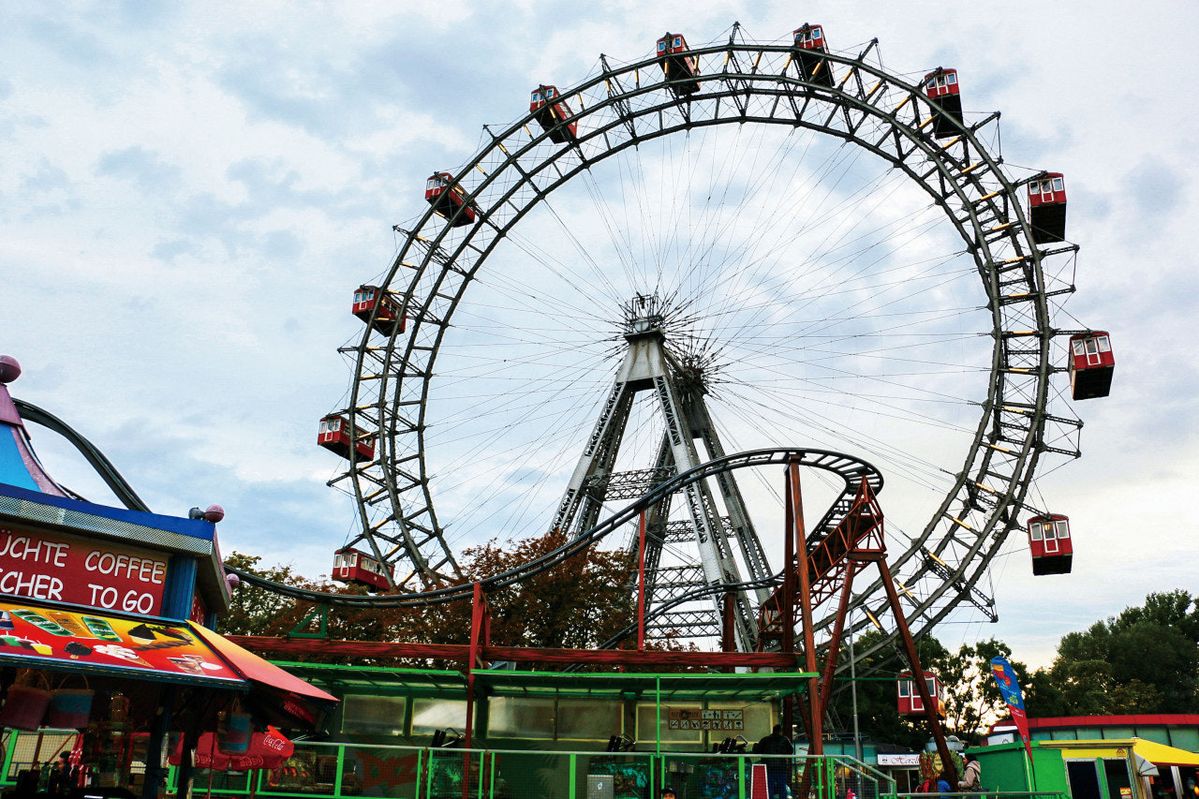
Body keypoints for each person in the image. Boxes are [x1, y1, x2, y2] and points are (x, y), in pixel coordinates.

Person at [757, 724, 794, 799]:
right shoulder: (784, 739)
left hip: (768, 767)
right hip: (781, 767)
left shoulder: (765, 739)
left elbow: (757, 750)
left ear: (773, 731)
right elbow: (790, 750)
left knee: (769, 787)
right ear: (780, 731)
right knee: (782, 787)